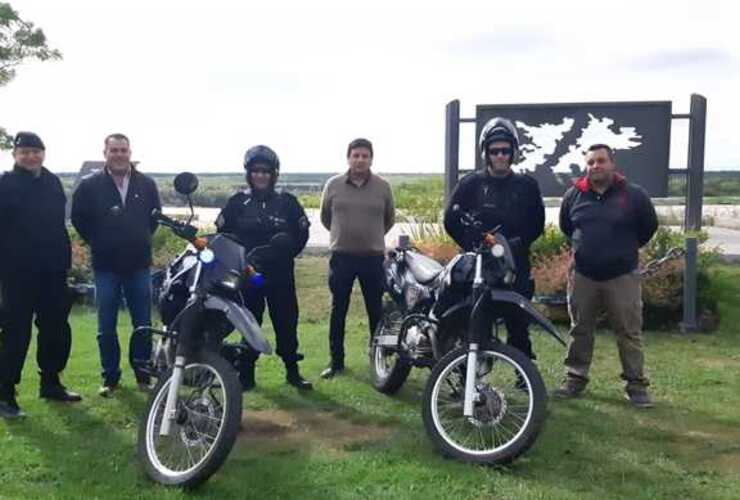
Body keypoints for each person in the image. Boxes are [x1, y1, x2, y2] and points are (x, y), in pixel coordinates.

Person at [554, 144, 658, 408]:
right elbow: (567, 227)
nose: (595, 166)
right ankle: (575, 378)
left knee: (629, 332)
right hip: (584, 276)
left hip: (622, 276)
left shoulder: (634, 195)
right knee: (580, 330)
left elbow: (648, 227)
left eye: (601, 161)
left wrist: (622, 252)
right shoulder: (573, 196)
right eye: (590, 163)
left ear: (612, 163)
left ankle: (636, 386)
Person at [444, 117, 545, 361]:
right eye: (494, 151)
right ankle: (467, 369)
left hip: (515, 263)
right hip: (479, 265)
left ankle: (524, 371)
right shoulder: (471, 184)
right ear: (486, 153)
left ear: (513, 153)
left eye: (505, 151)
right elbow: (450, 219)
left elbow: (537, 223)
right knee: (472, 317)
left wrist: (517, 244)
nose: (500, 155)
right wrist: (470, 245)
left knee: (518, 320)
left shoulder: (527, 185)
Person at [71, 133, 161, 397]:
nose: (119, 154)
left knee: (143, 323)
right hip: (105, 266)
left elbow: (154, 219)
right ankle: (110, 378)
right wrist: (99, 240)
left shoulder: (146, 184)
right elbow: (78, 219)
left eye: (123, 150)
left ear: (130, 152)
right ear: (105, 153)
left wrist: (139, 239)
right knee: (106, 326)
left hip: (138, 265)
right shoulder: (90, 185)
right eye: (114, 150)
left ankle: (143, 375)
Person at [216, 145, 312, 391]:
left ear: (274, 174)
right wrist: (241, 259)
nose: (261, 176)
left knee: (286, 321)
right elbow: (222, 236)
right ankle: (246, 374)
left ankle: (293, 371)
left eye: (266, 171)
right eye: (256, 171)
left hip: (280, 274)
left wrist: (285, 247)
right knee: (249, 322)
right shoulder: (237, 203)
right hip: (249, 276)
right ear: (249, 173)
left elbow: (301, 234)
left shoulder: (287, 203)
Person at [0, 132, 81, 419]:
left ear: (43, 153)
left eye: (36, 151)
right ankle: (5, 393)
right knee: (16, 334)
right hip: (16, 273)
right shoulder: (5, 184)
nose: (31, 156)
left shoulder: (52, 182)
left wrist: (64, 262)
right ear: (15, 155)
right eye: (25, 152)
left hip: (52, 271)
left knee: (55, 330)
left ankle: (50, 383)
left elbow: (58, 225)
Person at [319, 138, 395, 378]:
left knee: (376, 312)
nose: (360, 159)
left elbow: (389, 219)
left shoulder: (383, 186)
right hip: (342, 257)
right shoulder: (333, 185)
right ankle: (336, 362)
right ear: (348, 157)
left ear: (371, 158)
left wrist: (370, 236)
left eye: (365, 155)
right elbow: (325, 217)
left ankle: (377, 360)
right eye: (356, 155)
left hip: (372, 259)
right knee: (338, 310)